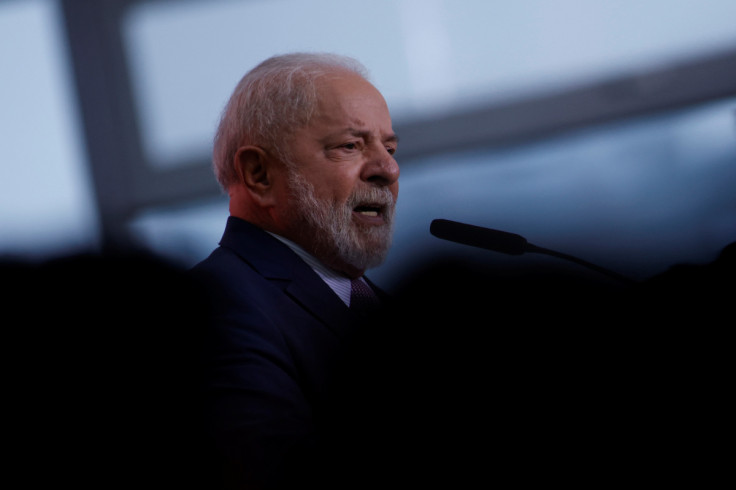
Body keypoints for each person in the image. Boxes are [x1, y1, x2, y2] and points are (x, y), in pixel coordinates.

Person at [190, 52, 401, 489]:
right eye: (350, 145)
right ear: (259, 174)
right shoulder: (215, 306)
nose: (388, 169)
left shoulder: (368, 301)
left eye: (390, 147)